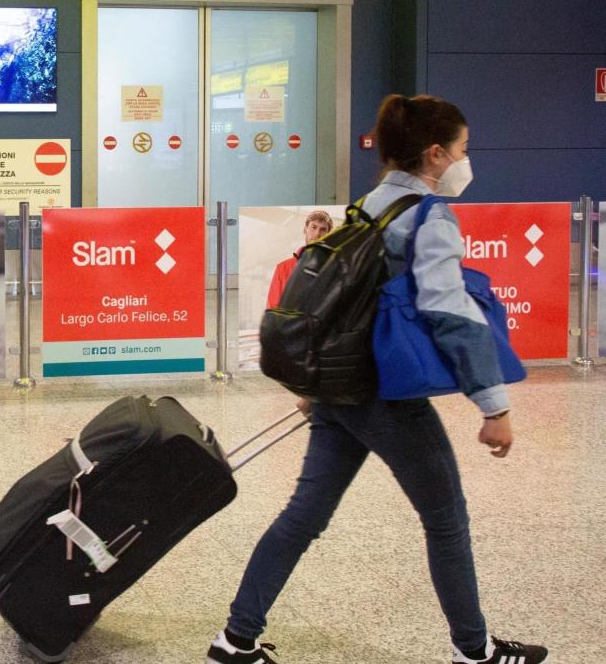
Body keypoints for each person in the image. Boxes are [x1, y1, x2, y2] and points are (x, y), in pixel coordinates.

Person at [207, 95, 547, 664]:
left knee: (303, 515)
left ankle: (236, 639)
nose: (467, 159)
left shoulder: (367, 206)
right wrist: (494, 407)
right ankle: (476, 651)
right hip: (386, 397)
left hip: (339, 389)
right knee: (446, 519)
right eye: (464, 149)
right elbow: (449, 311)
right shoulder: (427, 215)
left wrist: (315, 389)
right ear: (435, 154)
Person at [265, 210, 334, 309]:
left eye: (323, 229)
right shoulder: (283, 268)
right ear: (305, 229)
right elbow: (272, 309)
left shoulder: (335, 268)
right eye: (313, 227)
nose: (317, 234)